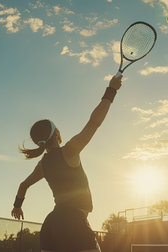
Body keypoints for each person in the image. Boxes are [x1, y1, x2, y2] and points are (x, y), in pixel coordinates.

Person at [11, 75, 123, 252]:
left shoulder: (43, 164)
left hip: (51, 224)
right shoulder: (69, 151)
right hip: (73, 222)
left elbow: (23, 185)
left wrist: (17, 206)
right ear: (57, 134)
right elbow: (94, 123)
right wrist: (112, 90)